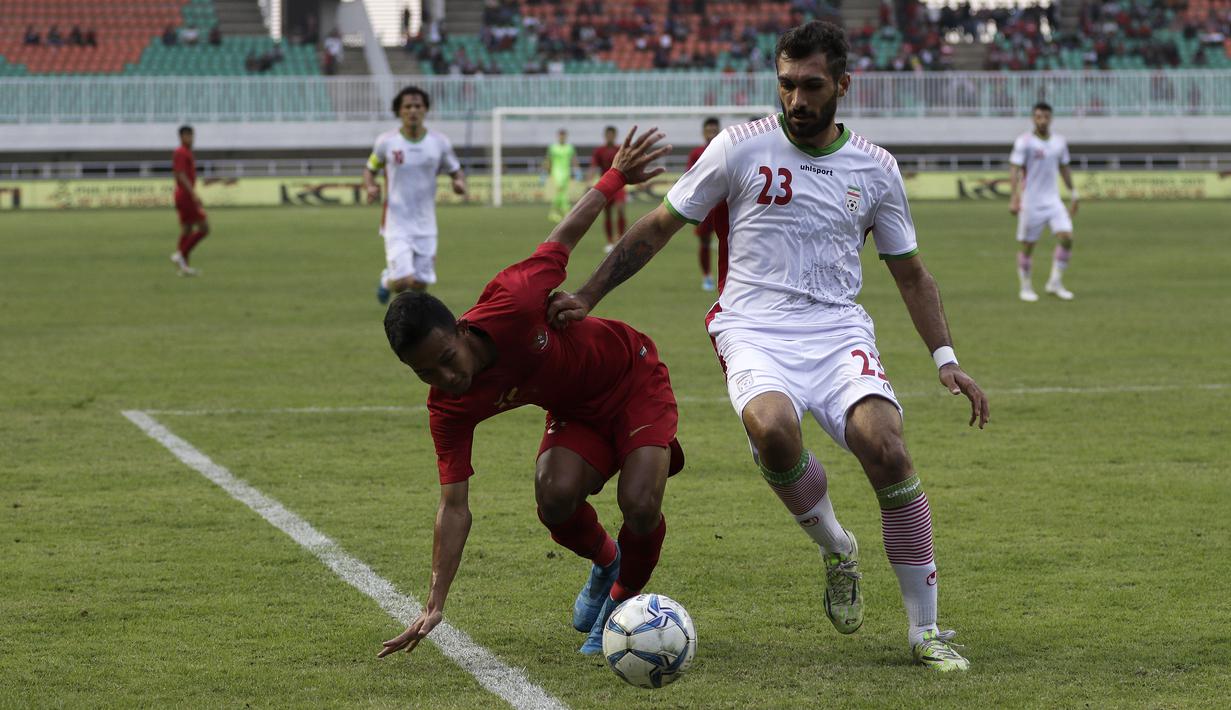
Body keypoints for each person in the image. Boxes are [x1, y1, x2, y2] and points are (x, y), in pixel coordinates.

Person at [548, 21, 989, 672]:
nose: (797, 100)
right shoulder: (738, 148)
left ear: (842, 84)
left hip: (837, 331)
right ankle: (837, 547)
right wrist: (587, 294)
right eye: (786, 85)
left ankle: (925, 632)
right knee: (775, 429)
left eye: (811, 86)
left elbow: (910, 273)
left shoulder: (874, 167)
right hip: (752, 326)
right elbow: (658, 225)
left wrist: (946, 360)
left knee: (888, 450)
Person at [376, 127, 683, 659]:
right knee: (554, 496)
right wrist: (434, 602)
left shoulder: (514, 300)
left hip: (631, 378)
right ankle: (607, 560)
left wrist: (616, 177)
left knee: (638, 502)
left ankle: (620, 601)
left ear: (462, 330)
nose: (447, 379)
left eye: (447, 360)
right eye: (427, 374)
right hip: (574, 409)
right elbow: (454, 506)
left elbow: (563, 237)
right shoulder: (447, 406)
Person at [364, 86, 467, 304]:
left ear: (425, 109)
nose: (413, 110)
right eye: (407, 106)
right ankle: (387, 281)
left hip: (426, 223)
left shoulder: (439, 142)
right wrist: (371, 186)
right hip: (396, 221)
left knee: (420, 284)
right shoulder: (386, 142)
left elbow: (456, 170)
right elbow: (370, 169)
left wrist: (459, 183)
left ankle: (391, 284)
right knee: (402, 282)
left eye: (418, 106)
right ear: (399, 111)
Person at [1009, 102, 1079, 302]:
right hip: (1031, 202)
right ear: (1033, 118)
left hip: (1054, 201)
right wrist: (1014, 197)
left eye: (1046, 116)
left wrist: (1074, 194)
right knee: (1028, 246)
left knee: (1067, 237)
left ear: (1051, 118)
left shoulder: (1059, 142)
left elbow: (1064, 168)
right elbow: (1014, 169)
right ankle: (1026, 287)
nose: (1042, 120)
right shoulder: (1025, 142)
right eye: (1038, 116)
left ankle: (1055, 283)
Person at [687, 116, 722, 291]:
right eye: (709, 130)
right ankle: (707, 276)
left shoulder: (726, 149)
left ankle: (729, 279)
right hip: (706, 205)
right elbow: (690, 177)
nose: (711, 133)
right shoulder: (696, 153)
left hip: (724, 204)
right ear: (703, 132)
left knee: (731, 242)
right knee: (705, 241)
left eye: (715, 130)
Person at [170, 125, 210, 276]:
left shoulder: (186, 152)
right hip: (186, 196)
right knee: (205, 228)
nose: (191, 139)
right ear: (181, 137)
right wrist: (193, 193)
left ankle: (184, 268)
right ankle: (180, 254)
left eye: (192, 136)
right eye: (188, 136)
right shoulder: (181, 152)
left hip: (183, 195)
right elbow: (180, 174)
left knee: (187, 230)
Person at [588, 126, 626, 253]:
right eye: (608, 135)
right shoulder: (599, 151)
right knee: (607, 213)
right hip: (606, 184)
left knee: (620, 208)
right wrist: (589, 180)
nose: (610, 137)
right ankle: (610, 242)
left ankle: (620, 239)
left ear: (615, 136)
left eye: (612, 135)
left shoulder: (620, 150)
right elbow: (593, 166)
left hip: (619, 184)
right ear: (605, 136)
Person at [543, 128, 580, 223]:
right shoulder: (553, 147)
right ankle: (566, 211)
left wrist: (577, 170)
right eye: (560, 135)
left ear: (566, 136)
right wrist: (545, 172)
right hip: (556, 172)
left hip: (566, 172)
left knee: (562, 192)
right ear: (558, 136)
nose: (562, 137)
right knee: (560, 189)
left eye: (563, 135)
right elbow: (548, 160)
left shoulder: (570, 147)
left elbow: (574, 159)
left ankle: (554, 212)